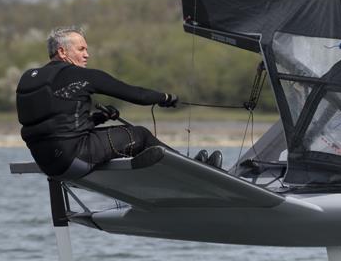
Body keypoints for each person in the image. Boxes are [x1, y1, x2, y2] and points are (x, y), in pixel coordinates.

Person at [16, 26, 222, 178]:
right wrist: (165, 98)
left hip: (47, 163)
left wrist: (99, 118)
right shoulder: (84, 76)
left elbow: (57, 125)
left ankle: (169, 176)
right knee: (140, 135)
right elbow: (136, 95)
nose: (87, 54)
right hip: (75, 158)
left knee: (120, 137)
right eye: (81, 49)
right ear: (62, 52)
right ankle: (194, 172)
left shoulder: (28, 78)